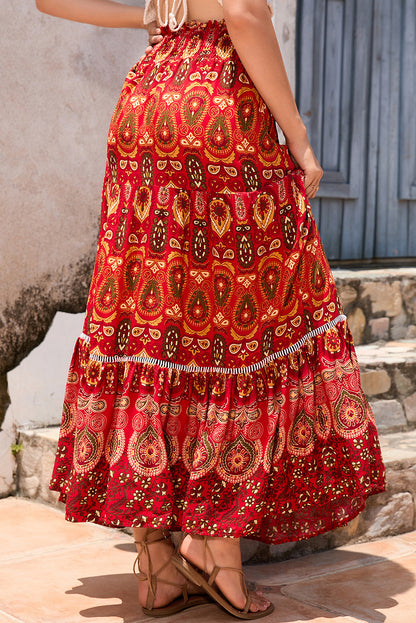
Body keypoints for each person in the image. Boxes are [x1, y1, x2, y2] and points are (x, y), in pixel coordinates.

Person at [35, 0, 386, 619]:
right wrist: (297, 135)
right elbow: (242, 10)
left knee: (152, 312)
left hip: (149, 103)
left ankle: (157, 562)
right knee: (231, 320)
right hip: (216, 107)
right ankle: (215, 549)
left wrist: (151, 16)